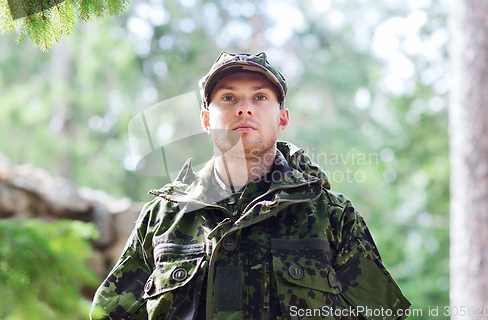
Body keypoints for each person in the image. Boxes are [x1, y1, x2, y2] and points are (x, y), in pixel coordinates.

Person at [91, 52, 411, 319]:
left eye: (259, 97)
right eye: (228, 98)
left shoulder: (331, 216)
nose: (244, 108)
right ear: (206, 119)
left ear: (282, 118)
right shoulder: (162, 218)